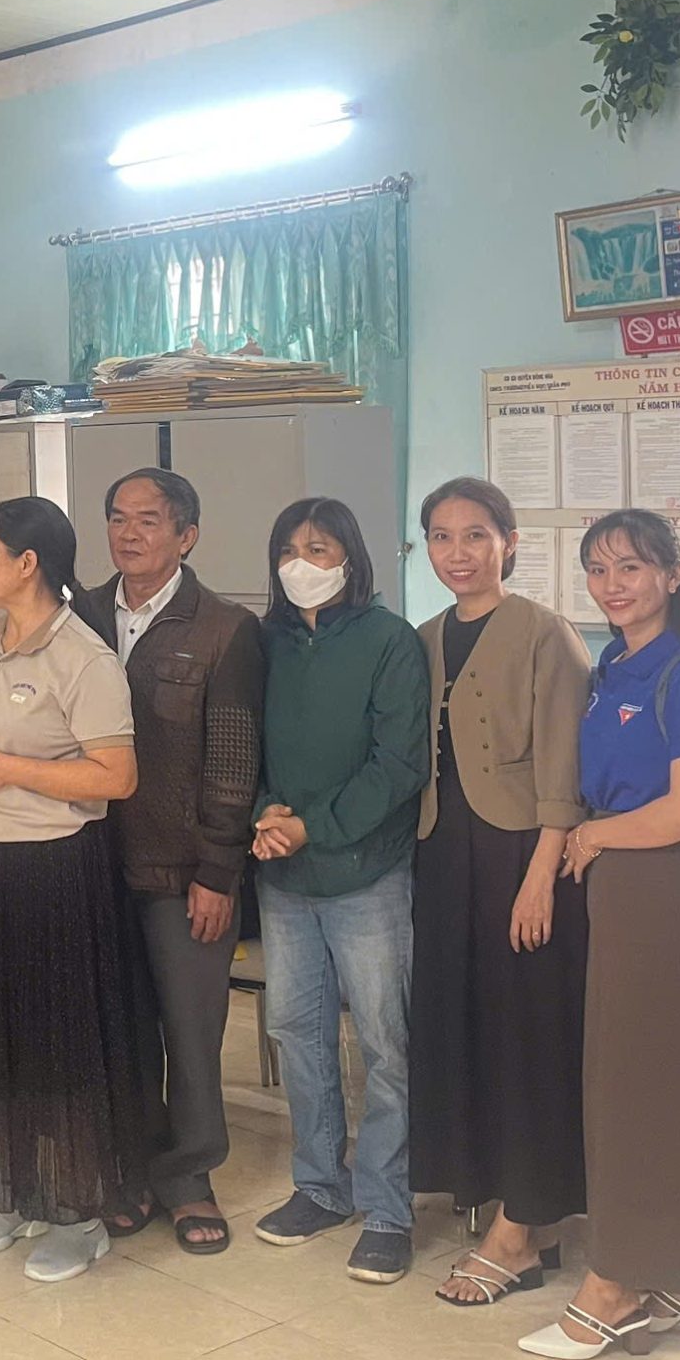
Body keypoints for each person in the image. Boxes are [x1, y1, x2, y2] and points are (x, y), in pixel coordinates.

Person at [519, 510, 680, 1360]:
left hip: (667, 886)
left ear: (672, 576)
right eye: (598, 569)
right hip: (620, 881)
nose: (613, 586)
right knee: (643, 1083)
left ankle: (616, 1287)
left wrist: (595, 835)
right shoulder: (613, 663)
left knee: (646, 1089)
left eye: (632, 568)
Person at [0, 496, 146, 1284]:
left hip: (54, 869)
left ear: (28, 564)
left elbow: (116, 776)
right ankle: (11, 1190)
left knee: (56, 1041)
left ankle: (77, 1212)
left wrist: (8, 769)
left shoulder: (83, 657)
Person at [407, 477, 594, 1308]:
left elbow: (564, 769)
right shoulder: (424, 638)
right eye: (442, 537)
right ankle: (521, 1217)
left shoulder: (546, 633)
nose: (459, 553)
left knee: (529, 1040)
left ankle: (520, 1231)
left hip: (523, 854)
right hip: (445, 854)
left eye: (476, 535)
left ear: (508, 543)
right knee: (470, 1033)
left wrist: (540, 879)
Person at [72, 468, 263, 1255]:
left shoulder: (224, 628)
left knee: (190, 1031)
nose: (129, 534)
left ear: (187, 536)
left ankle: (188, 1177)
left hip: (183, 871)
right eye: (118, 518)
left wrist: (218, 871)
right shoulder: (78, 614)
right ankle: (129, 1173)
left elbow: (234, 762)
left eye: (148, 520)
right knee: (118, 1029)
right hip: (90, 865)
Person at [248, 495, 430, 1285]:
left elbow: (399, 764)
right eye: (289, 551)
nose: (302, 565)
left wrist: (312, 827)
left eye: (318, 550)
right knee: (297, 1030)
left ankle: (387, 1209)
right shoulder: (268, 642)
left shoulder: (389, 641)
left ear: (351, 559)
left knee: (387, 1043)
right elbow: (245, 745)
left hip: (367, 874)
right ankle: (320, 1187)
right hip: (285, 875)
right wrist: (265, 816)